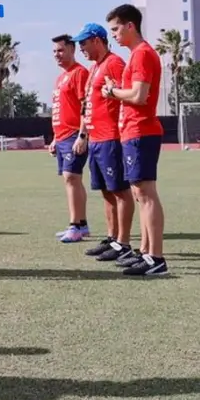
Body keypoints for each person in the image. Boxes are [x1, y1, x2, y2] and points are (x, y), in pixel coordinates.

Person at [102, 4, 168, 276]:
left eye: (116, 29)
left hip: (141, 130)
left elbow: (139, 95)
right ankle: (146, 252)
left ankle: (156, 258)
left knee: (146, 194)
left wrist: (112, 91)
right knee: (141, 194)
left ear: (130, 26)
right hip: (134, 131)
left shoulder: (142, 54)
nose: (114, 35)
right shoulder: (137, 54)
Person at [72, 23, 136, 263]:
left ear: (97, 40)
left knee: (120, 191)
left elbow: (126, 94)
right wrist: (83, 134)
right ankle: (112, 238)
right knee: (107, 192)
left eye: (83, 43)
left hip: (111, 138)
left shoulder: (114, 63)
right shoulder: (94, 68)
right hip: (96, 139)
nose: (81, 49)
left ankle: (124, 243)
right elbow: (87, 105)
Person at [49, 34, 90, 244]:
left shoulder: (80, 73)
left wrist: (83, 135)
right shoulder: (60, 78)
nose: (57, 54)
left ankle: (75, 226)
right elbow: (60, 110)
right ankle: (81, 225)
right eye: (54, 51)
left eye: (61, 50)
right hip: (62, 136)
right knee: (73, 179)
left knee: (71, 177)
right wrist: (55, 138)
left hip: (74, 134)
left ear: (72, 50)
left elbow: (86, 106)